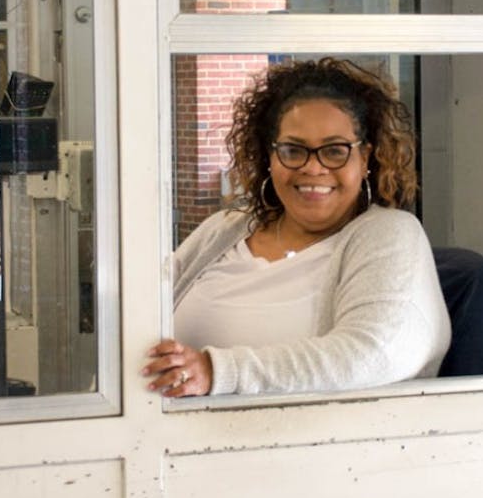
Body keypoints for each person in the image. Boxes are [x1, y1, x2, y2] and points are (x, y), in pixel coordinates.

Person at [143, 57, 450, 397]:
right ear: (270, 157)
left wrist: (217, 371)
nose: (313, 168)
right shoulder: (225, 228)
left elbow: (376, 352)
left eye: (335, 151)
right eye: (293, 150)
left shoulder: (390, 234)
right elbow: (139, 307)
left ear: (364, 158)